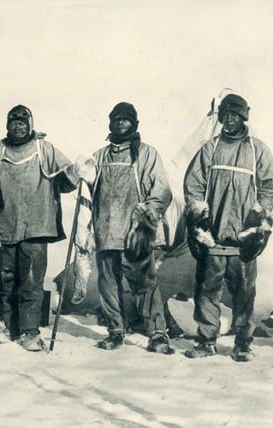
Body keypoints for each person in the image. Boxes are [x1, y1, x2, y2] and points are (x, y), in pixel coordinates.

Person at [183, 94, 273, 361]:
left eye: (235, 116)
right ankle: (206, 339)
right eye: (226, 115)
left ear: (243, 118)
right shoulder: (209, 148)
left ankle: (242, 342)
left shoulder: (256, 150)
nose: (230, 120)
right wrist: (199, 213)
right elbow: (193, 185)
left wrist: (259, 216)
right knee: (207, 289)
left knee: (244, 291)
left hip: (242, 237)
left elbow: (270, 186)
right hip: (213, 236)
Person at [0, 104, 78, 352]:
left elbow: (64, 180)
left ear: (30, 125)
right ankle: (10, 327)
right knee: (7, 278)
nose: (18, 126)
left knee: (31, 280)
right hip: (7, 226)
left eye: (23, 122)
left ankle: (30, 332)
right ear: (8, 125)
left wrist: (76, 172)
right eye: (14, 122)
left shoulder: (44, 149)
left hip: (37, 225)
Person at [76, 102, 174, 354]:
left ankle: (157, 333)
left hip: (135, 234)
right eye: (116, 119)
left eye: (126, 119)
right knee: (108, 283)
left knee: (144, 284)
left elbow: (161, 190)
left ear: (134, 123)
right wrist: (80, 173)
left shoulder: (147, 154)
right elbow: (86, 193)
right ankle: (115, 331)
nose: (121, 123)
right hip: (106, 230)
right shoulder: (98, 156)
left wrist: (146, 216)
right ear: (110, 123)